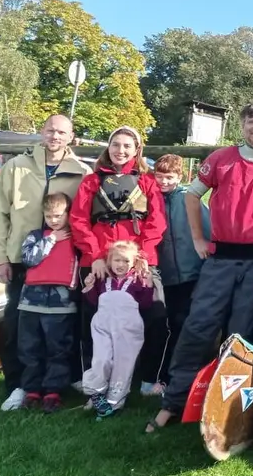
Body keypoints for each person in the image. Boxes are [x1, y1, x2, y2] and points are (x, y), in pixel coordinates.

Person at [150, 102, 253, 433]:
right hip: (220, 259)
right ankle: (173, 403)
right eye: (252, 121)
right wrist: (198, 238)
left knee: (242, 335)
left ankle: (232, 411)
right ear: (243, 125)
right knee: (198, 327)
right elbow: (192, 196)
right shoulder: (220, 159)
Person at [0, 114, 91, 411]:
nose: (55, 136)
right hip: (23, 260)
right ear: (41, 131)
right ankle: (19, 385)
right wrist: (0, 259)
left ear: (71, 136)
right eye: (50, 130)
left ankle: (62, 381)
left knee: (65, 326)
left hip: (64, 266)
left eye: (61, 132)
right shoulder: (16, 167)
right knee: (18, 327)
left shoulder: (81, 172)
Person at [68, 126, 166, 374]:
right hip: (100, 259)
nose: (120, 150)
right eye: (115, 145)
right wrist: (95, 257)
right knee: (94, 318)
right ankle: (93, 376)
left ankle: (146, 377)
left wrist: (141, 256)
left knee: (153, 315)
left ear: (136, 150)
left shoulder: (147, 182)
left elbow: (157, 222)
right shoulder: (91, 182)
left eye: (126, 146)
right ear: (108, 147)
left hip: (140, 260)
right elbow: (79, 220)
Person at [145, 155, 210, 397]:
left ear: (179, 177)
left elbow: (209, 228)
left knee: (185, 324)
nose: (163, 182)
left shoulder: (188, 199)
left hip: (190, 273)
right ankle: (160, 375)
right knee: (164, 324)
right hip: (163, 274)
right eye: (159, 177)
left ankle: (181, 375)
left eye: (169, 177)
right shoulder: (150, 200)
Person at [15, 192, 81, 413]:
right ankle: (32, 390)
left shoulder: (76, 238)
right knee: (30, 349)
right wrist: (51, 239)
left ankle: (53, 391)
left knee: (58, 349)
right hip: (30, 303)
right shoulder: (36, 236)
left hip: (61, 305)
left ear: (68, 215)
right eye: (49, 215)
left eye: (59, 215)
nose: (54, 220)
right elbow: (29, 259)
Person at [81, 240, 157, 418]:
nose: (121, 265)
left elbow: (145, 304)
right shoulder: (103, 281)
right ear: (109, 261)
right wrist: (90, 287)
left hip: (127, 327)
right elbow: (94, 302)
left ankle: (114, 402)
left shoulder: (137, 281)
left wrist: (148, 285)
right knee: (102, 359)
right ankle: (96, 392)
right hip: (103, 325)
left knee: (123, 363)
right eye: (117, 260)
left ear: (133, 263)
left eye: (126, 261)